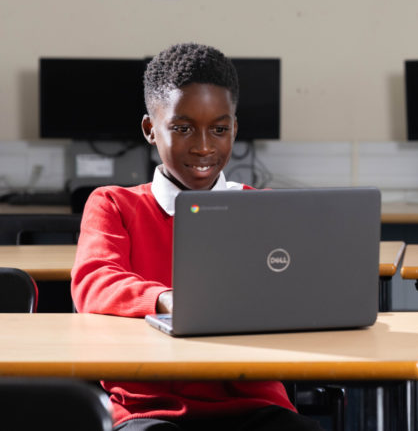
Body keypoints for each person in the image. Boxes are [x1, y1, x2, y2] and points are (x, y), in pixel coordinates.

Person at [71, 43, 323, 431]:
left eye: (219, 129)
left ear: (235, 129)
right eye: (183, 128)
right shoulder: (114, 205)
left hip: (252, 401)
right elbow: (95, 281)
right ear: (150, 130)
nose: (204, 146)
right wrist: (166, 299)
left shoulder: (263, 209)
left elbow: (301, 291)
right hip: (151, 406)